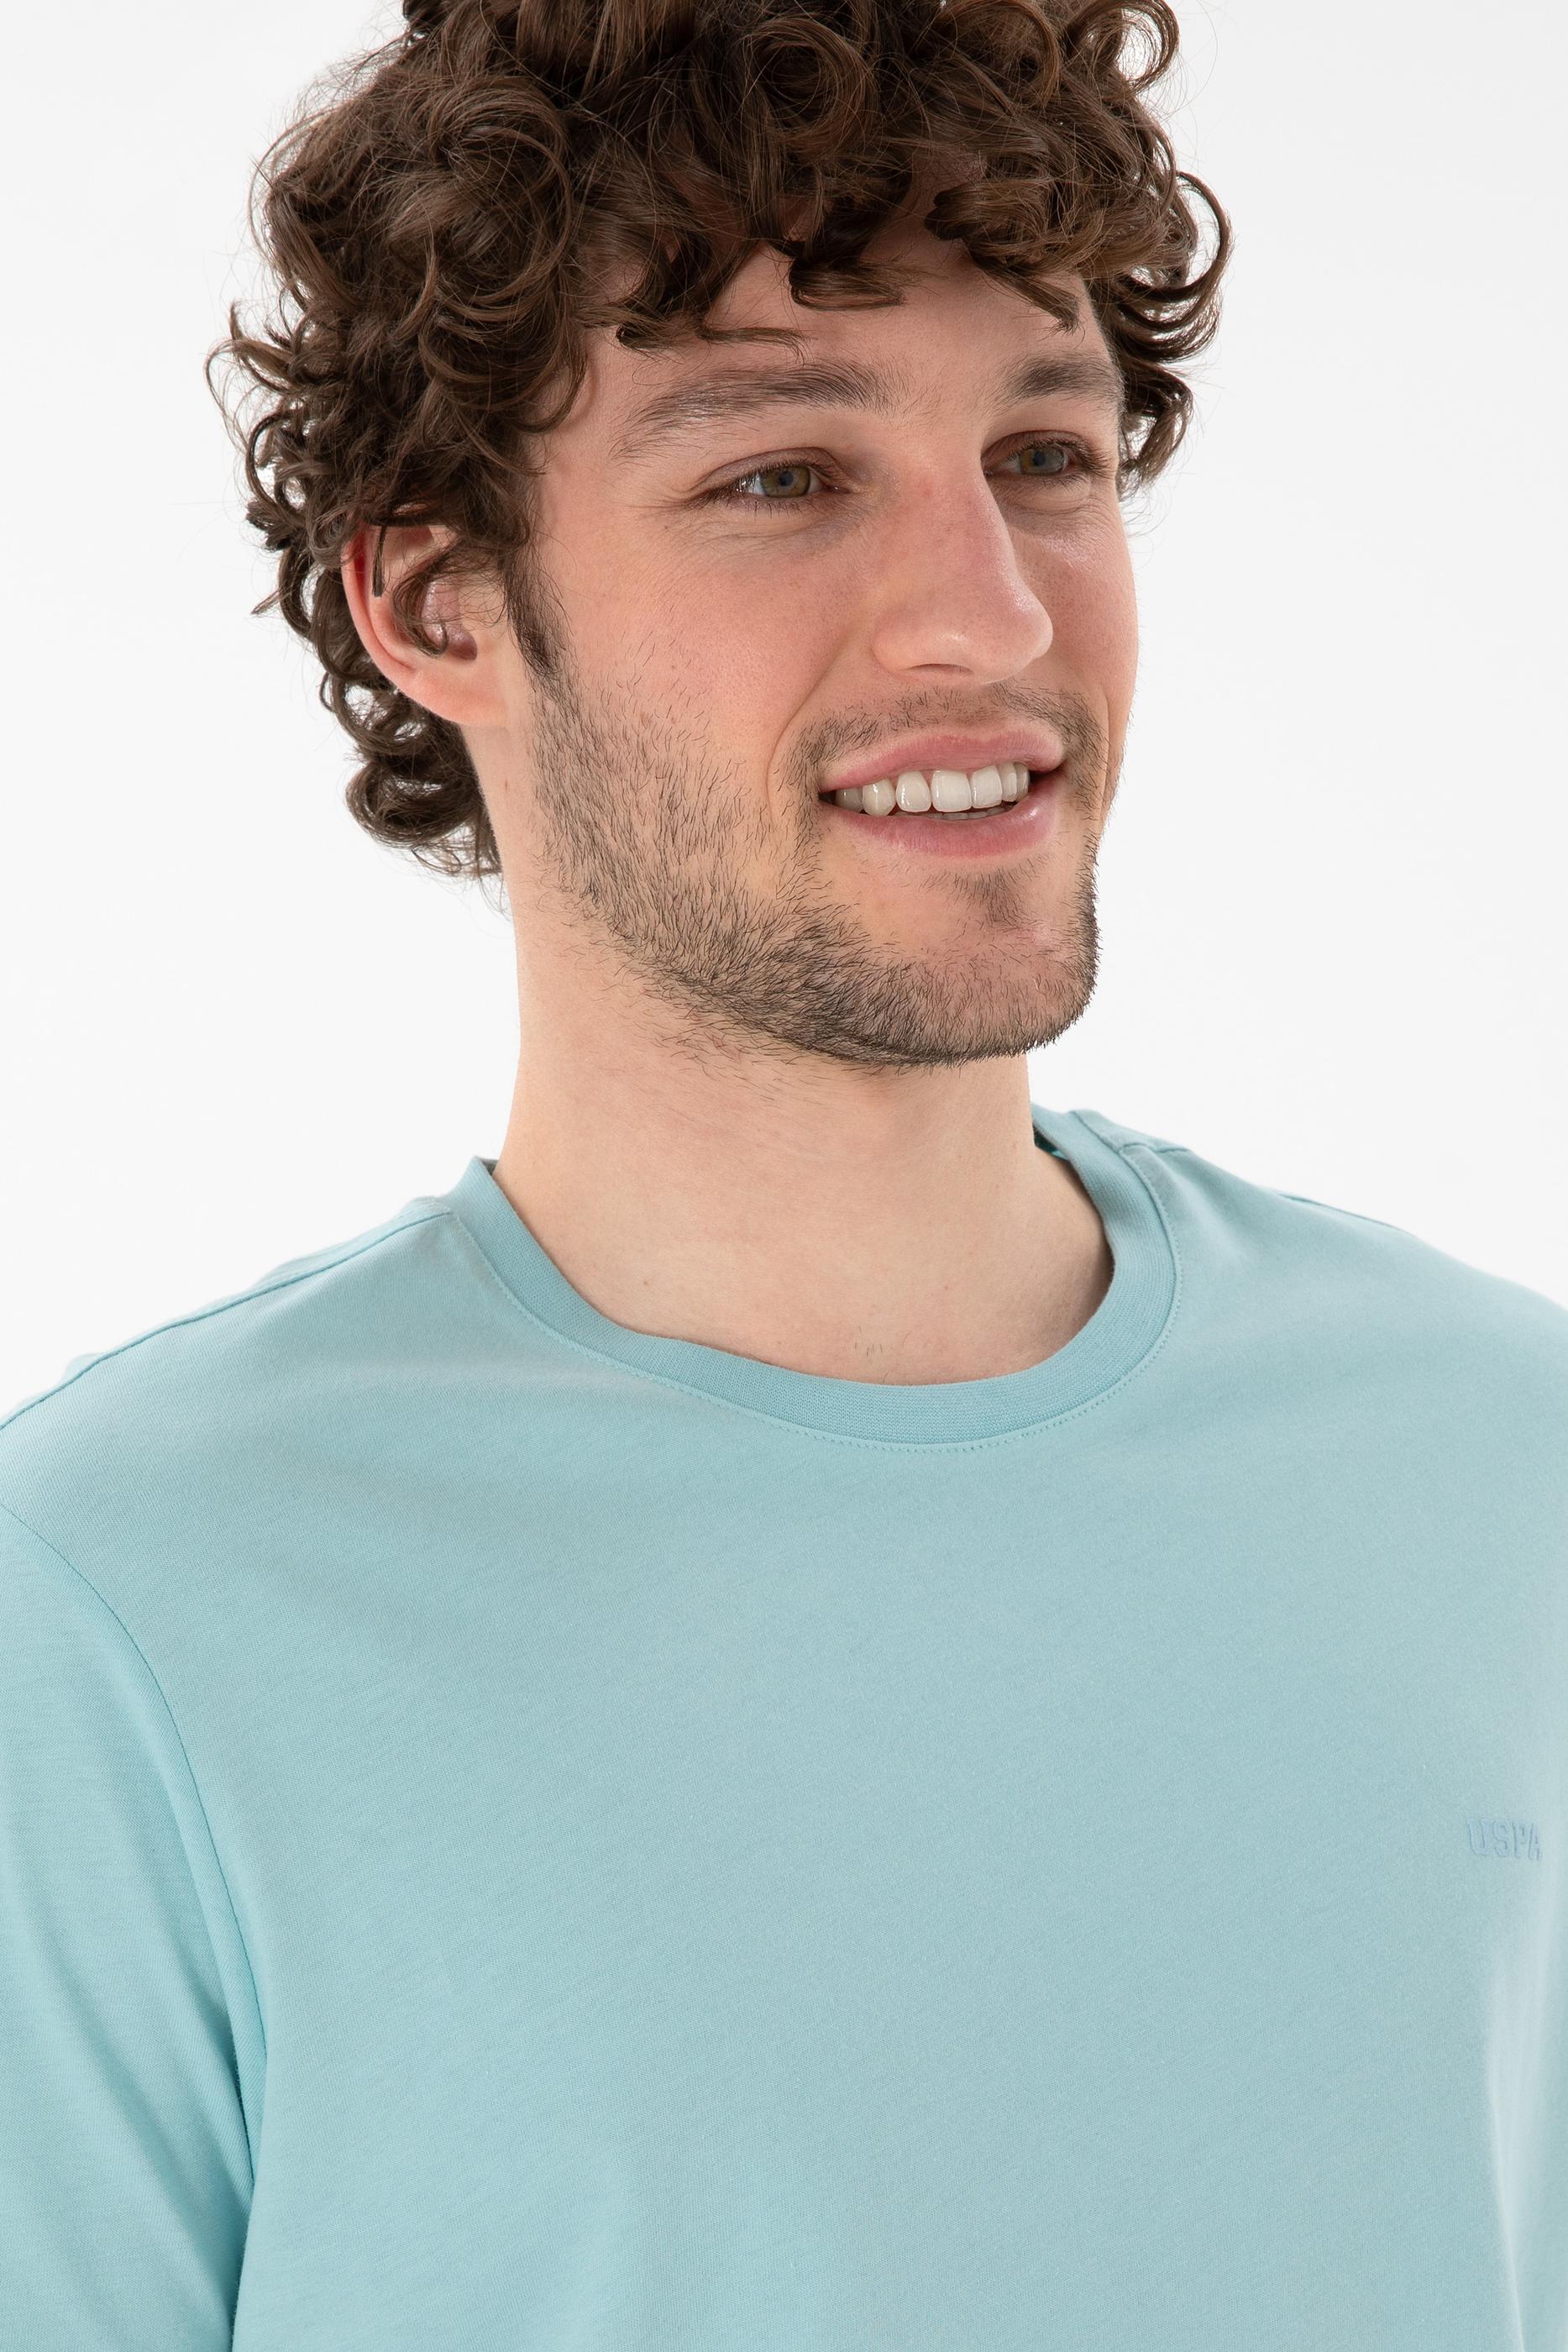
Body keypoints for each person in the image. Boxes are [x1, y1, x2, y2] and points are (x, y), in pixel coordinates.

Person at [3, 0, 1565, 2343]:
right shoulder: (109, 1620)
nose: (992, 614)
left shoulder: (1509, 1469)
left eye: (1042, 455)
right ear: (435, 603)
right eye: (781, 477)